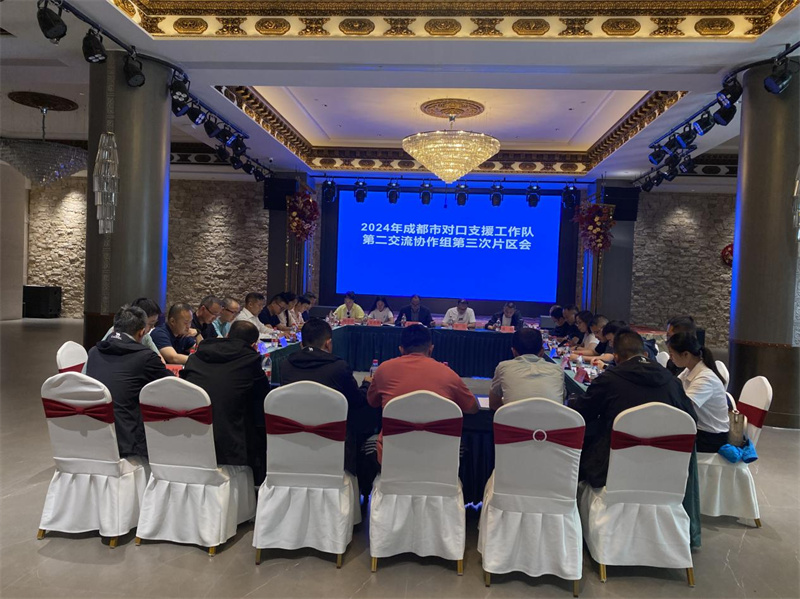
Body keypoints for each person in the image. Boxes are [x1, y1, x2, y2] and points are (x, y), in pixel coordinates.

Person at [571, 329, 697, 488]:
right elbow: (691, 421)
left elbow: (580, 415)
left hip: (611, 469)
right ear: (645, 354)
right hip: (666, 470)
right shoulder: (672, 382)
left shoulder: (609, 380)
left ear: (616, 358)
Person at [367, 324, 479, 462]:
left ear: (401, 349)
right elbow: (472, 408)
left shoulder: (383, 370)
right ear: (431, 349)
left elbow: (372, 402)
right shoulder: (449, 374)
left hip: (391, 458)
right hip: (441, 460)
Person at [280, 318, 376, 476]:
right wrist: (366, 384)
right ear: (328, 344)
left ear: (301, 344)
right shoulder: (339, 367)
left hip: (293, 439)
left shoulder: (286, 366)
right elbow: (357, 401)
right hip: (334, 440)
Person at [181, 320, 270, 477]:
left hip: (190, 436)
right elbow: (263, 395)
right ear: (254, 345)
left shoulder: (196, 356)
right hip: (229, 443)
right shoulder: (250, 360)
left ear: (227, 335)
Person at [85, 305, 171, 458]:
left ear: (114, 329)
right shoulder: (146, 358)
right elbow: (172, 386)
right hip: (127, 443)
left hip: (91, 435)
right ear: (142, 332)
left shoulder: (94, 352)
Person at [667, 332, 729, 453]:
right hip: (700, 430)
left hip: (711, 437)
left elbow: (684, 406)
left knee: (664, 442)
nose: (670, 358)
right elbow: (673, 389)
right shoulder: (689, 370)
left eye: (672, 353)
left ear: (686, 354)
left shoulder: (705, 378)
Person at [489, 328, 565, 409]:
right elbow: (561, 401)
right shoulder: (558, 370)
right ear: (542, 352)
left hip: (513, 417)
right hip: (553, 417)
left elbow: (494, 404)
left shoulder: (503, 367)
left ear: (514, 352)